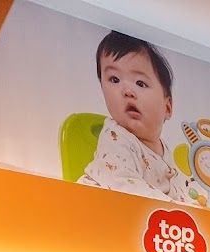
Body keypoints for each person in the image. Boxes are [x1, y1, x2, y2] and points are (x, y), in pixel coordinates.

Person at [79, 31, 189, 203]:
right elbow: (126, 189)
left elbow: (176, 192)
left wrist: (194, 208)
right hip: (93, 210)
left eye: (140, 83)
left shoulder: (164, 150)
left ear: (167, 107)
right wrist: (174, 208)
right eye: (114, 80)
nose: (127, 91)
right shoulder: (115, 138)